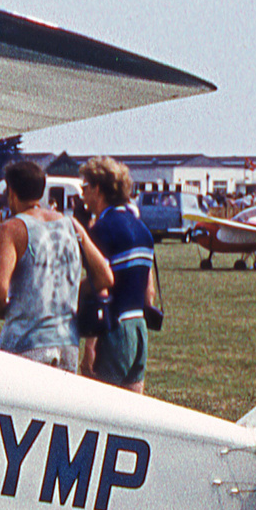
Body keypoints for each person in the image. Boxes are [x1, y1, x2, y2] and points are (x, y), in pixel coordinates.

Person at [0, 160, 111, 374]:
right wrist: (72, 290)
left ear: (11, 193)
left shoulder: (11, 229)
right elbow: (105, 277)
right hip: (67, 342)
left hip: (26, 341)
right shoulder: (71, 224)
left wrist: (1, 311)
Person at [80, 156, 156, 394]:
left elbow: (101, 287)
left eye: (85, 187)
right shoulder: (142, 229)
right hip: (139, 328)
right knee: (133, 406)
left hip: (114, 329)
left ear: (98, 189)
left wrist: (90, 345)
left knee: (101, 403)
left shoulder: (101, 230)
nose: (82, 194)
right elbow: (149, 292)